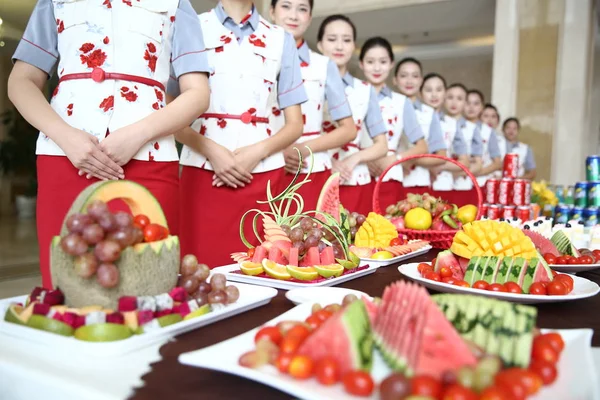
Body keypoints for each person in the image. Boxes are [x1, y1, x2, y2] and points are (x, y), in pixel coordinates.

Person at [8, 0, 211, 288]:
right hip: (65, 158)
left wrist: (138, 134)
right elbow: (21, 81)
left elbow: (198, 93)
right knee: (66, 283)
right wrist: (65, 136)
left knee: (150, 283)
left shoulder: (177, 3)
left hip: (150, 160)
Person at [173, 0, 307, 268]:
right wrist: (211, 150)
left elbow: (295, 125)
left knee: (264, 268)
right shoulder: (190, 24)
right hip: (202, 170)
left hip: (264, 174)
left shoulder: (281, 39)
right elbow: (169, 110)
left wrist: (257, 152)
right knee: (197, 267)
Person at [269, 0, 356, 210]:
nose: (293, 15)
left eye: (302, 9)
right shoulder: (256, 56)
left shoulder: (323, 65)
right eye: (286, 6)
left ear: (309, 18)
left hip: (311, 171)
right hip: (264, 166)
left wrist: (303, 149)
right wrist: (274, 150)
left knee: (315, 239)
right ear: (271, 11)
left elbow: (348, 129)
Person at [316, 15, 387, 215]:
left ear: (354, 46)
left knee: (358, 242)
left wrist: (352, 159)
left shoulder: (365, 89)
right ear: (320, 44)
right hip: (315, 176)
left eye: (346, 40)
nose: (339, 46)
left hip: (354, 178)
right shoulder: (308, 82)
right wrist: (329, 162)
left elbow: (382, 145)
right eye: (332, 39)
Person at [358, 37, 427, 213]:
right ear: (361, 64)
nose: (376, 67)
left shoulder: (401, 102)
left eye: (383, 61)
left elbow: (422, 146)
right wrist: (362, 157)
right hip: (356, 173)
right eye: (370, 61)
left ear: (391, 64)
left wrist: (393, 159)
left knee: (388, 232)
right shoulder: (351, 95)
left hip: (389, 176)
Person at [393, 57, 447, 193]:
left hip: (418, 181)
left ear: (421, 80)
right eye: (404, 76)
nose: (409, 81)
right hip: (386, 178)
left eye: (415, 76)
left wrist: (404, 159)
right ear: (395, 80)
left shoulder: (429, 113)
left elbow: (441, 156)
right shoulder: (385, 106)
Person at [420, 73, 469, 192]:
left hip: (444, 185)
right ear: (420, 93)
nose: (434, 94)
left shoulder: (451, 123)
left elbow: (465, 162)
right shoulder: (414, 118)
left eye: (439, 89)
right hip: (416, 182)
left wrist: (437, 165)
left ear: (445, 93)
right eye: (428, 90)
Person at [465, 90, 502, 187]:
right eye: (468, 103)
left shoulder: (488, 131)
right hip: (457, 182)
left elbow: (497, 163)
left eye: (476, 103)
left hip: (481, 183)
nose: (471, 107)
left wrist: (476, 173)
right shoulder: (454, 126)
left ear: (482, 107)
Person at [482, 103, 507, 178]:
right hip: (477, 178)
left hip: (496, 179)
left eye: (493, 116)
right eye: (486, 116)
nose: (490, 120)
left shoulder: (502, 141)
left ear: (498, 120)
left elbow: (503, 165)